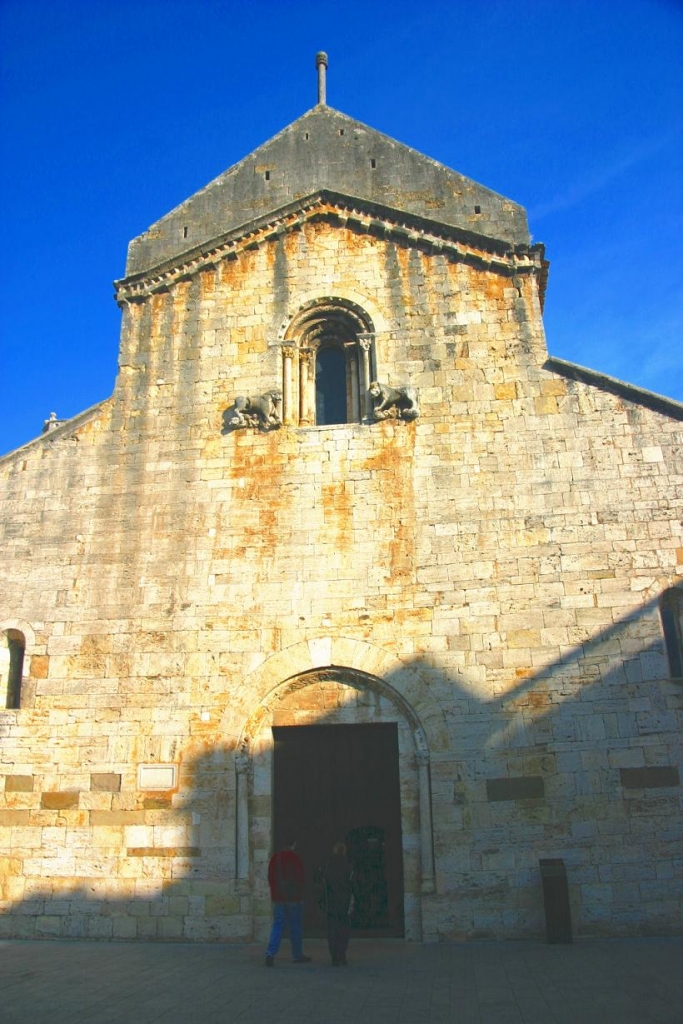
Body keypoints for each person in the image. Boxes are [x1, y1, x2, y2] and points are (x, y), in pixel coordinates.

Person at [265, 840, 312, 967]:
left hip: (279, 898)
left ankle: (270, 953)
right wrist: (302, 896)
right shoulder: (296, 859)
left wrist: (275, 894)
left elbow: (270, 877)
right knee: (295, 926)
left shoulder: (275, 858)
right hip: (294, 898)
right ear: (293, 845)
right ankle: (297, 954)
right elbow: (301, 878)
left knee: (277, 925)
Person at [323, 841, 354, 966]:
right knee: (344, 929)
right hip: (345, 902)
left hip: (331, 902)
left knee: (332, 929)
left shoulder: (328, 866)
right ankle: (342, 955)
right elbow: (353, 884)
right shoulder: (348, 866)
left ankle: (334, 956)